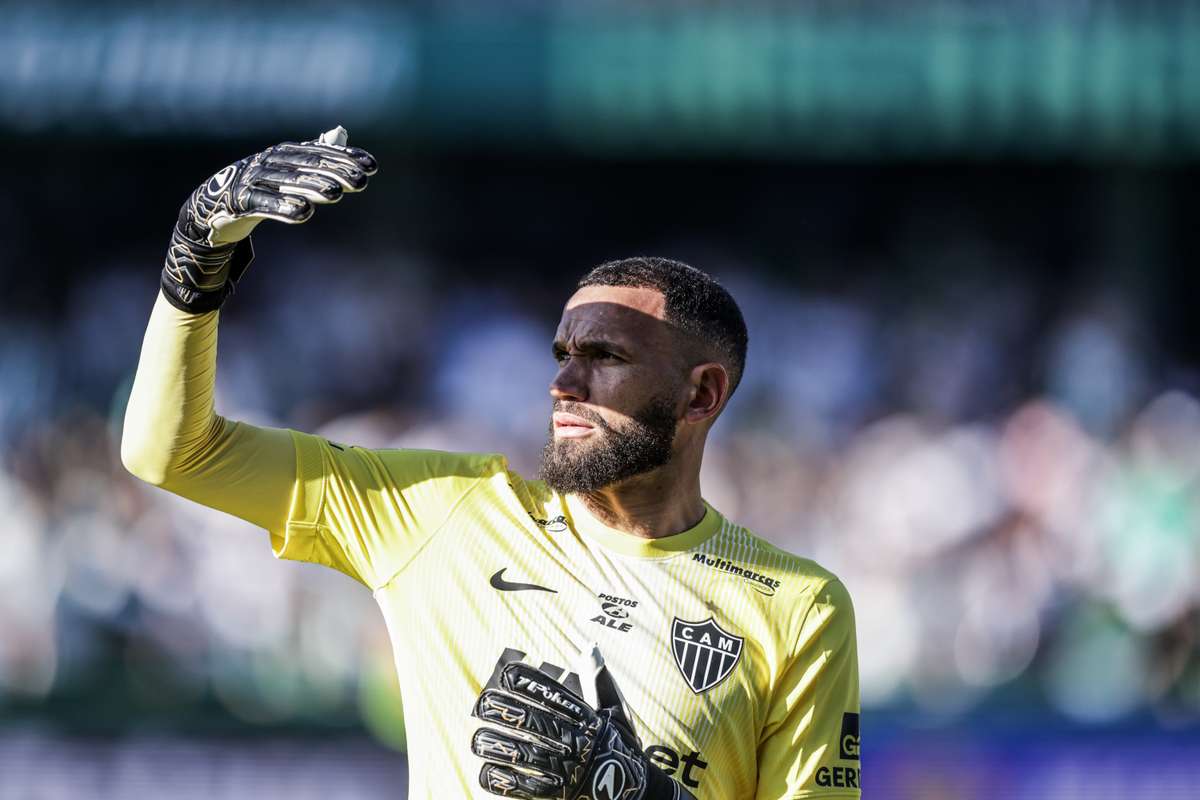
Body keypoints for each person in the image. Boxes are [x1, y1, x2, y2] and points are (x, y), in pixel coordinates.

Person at [122, 128, 861, 800]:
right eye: (562, 355)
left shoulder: (797, 607)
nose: (563, 385)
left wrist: (639, 790)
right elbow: (174, 453)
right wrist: (197, 255)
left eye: (605, 357)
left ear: (702, 394)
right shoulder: (442, 512)